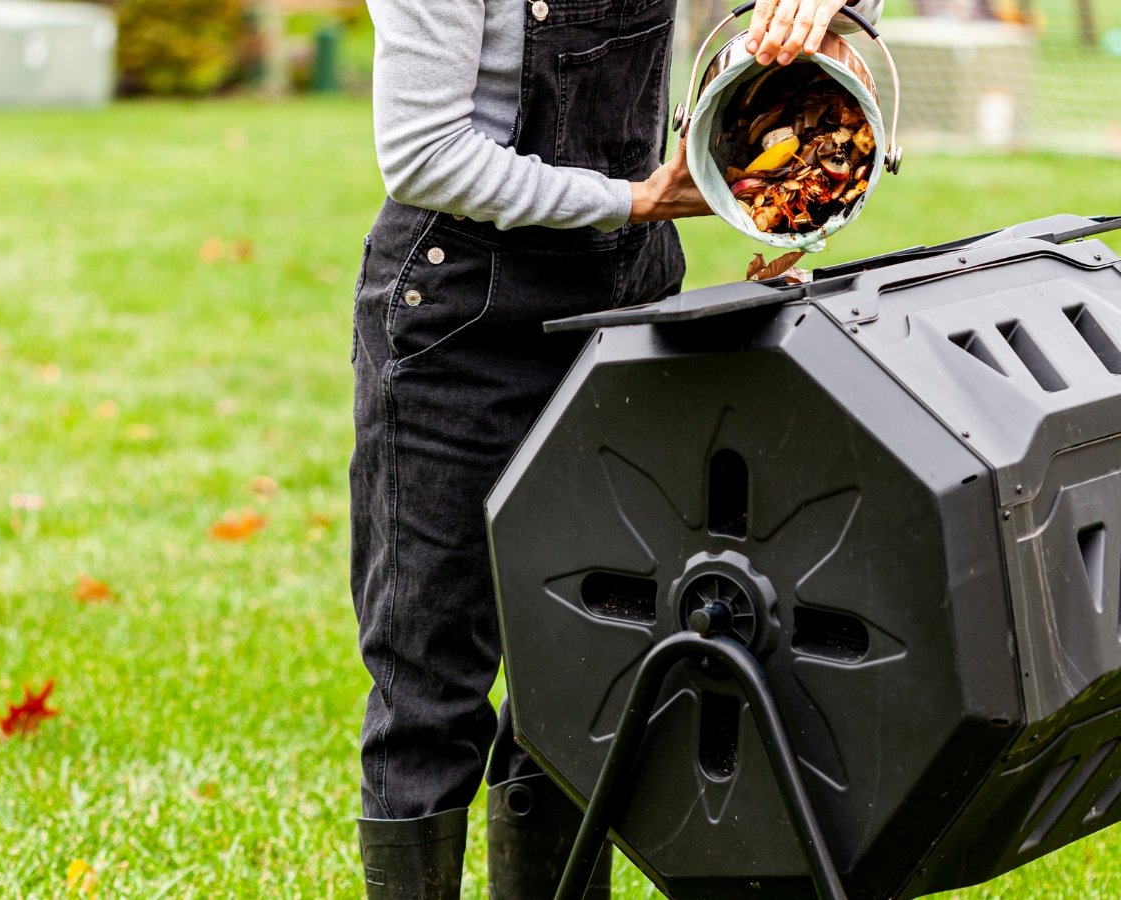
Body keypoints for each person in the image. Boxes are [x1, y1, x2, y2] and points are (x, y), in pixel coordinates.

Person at [350, 0, 882, 895]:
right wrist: (638, 199)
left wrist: (831, 13)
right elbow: (421, 152)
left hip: (625, 297)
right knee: (427, 684)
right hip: (463, 325)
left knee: (588, 672)